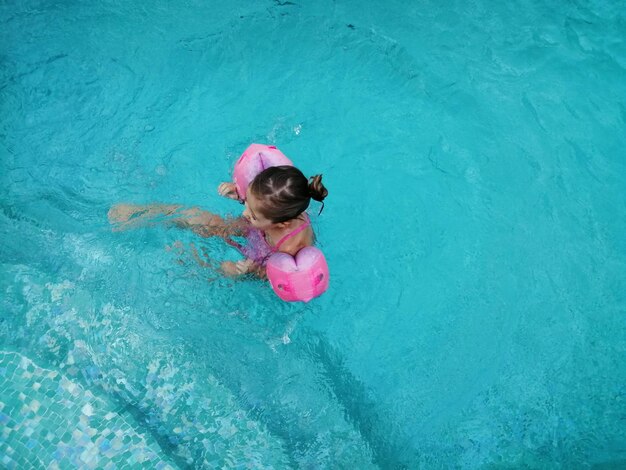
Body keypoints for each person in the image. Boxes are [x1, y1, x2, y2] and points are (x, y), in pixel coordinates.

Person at [108, 165, 328, 278]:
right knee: (206, 220)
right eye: (246, 206)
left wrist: (249, 270)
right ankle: (149, 212)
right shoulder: (278, 205)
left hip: (264, 256)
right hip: (261, 228)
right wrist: (242, 195)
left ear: (280, 224)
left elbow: (276, 274)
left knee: (225, 269)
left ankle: (190, 260)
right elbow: (263, 205)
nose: (243, 214)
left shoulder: (292, 248)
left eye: (250, 212)